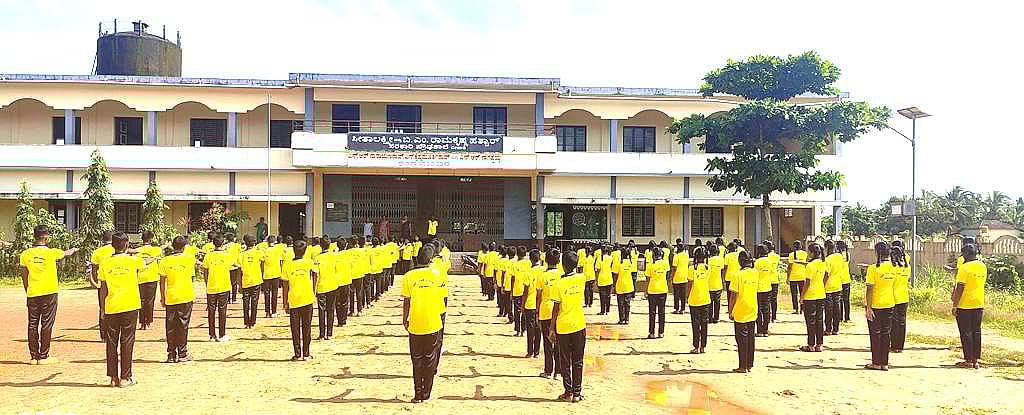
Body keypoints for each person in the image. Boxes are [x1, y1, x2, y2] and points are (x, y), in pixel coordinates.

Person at [19, 224, 78, 365]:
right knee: (47, 323)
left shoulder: (25, 254)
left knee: (32, 324)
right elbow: (67, 253)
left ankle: (34, 356)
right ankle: (44, 356)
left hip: (33, 292)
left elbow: (24, 275)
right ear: (45, 237)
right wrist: (75, 249)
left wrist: (28, 289)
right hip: (49, 292)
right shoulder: (52, 252)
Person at [98, 232, 146, 387]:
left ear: (112, 245)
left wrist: (102, 309)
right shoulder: (133, 261)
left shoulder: (105, 263)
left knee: (111, 342)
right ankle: (125, 377)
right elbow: (145, 263)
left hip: (111, 306)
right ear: (126, 245)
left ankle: (113, 377)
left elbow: (102, 289)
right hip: (130, 305)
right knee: (127, 341)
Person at [402, 244, 446, 403]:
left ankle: (417, 393)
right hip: (433, 321)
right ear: (430, 260)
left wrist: (404, 318)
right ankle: (426, 392)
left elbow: (407, 301)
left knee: (416, 359)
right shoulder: (437, 275)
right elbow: (442, 300)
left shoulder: (408, 276)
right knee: (429, 358)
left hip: (415, 322)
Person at [549, 251, 586, 403]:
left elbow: (556, 309)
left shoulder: (558, 283)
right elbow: (579, 272)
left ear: (562, 266)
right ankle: (577, 393)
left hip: (563, 326)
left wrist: (552, 328)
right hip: (578, 324)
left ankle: (568, 391)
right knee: (578, 360)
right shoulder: (581, 279)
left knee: (565, 361)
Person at [158, 236, 197, 363]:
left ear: (172, 246)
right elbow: (191, 277)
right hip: (185, 295)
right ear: (184, 247)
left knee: (170, 326)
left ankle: (171, 354)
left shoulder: (164, 261)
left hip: (171, 296)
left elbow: (162, 281)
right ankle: (182, 353)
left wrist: (162, 297)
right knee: (183, 325)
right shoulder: (189, 259)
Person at [952, 243, 986, 369]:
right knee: (976, 331)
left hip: (965, 304)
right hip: (978, 302)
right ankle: (976, 360)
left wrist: (955, 305)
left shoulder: (964, 268)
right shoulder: (982, 266)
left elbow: (960, 287)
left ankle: (968, 360)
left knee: (965, 332)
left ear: (966, 254)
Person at [864, 242, 897, 371]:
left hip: (876, 305)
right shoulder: (894, 267)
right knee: (886, 333)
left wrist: (868, 307)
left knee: (875, 334)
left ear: (877, 253)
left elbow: (870, 290)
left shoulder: (873, 268)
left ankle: (876, 362)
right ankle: (884, 363)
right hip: (890, 304)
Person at [282, 240, 315, 361]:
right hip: (307, 298)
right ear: (305, 251)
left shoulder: (287, 265)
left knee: (295, 328)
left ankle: (297, 354)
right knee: (307, 327)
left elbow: (285, 286)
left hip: (294, 299)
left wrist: (285, 302)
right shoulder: (309, 263)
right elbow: (315, 274)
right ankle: (306, 354)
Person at [728, 251, 759, 373]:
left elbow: (733, 296)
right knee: (751, 338)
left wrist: (730, 311)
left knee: (741, 339)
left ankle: (742, 366)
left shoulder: (737, 275)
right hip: (752, 308)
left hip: (741, 310)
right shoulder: (755, 273)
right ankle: (749, 364)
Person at [201, 234, 234, 342]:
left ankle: (212, 335)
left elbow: (205, 270)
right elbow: (232, 267)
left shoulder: (208, 256)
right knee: (222, 310)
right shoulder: (227, 255)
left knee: (211, 310)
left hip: (211, 286)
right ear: (223, 243)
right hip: (224, 286)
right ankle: (222, 334)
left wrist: (207, 282)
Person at [538, 248, 563, 379]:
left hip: (545, 311)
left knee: (547, 342)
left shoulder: (542, 276)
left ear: (546, 260)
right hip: (559, 312)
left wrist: (537, 312)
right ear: (559, 261)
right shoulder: (562, 275)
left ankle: (548, 371)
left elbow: (539, 295)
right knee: (559, 342)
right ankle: (558, 372)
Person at [800, 243, 827, 352]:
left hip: (810, 296)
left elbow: (807, 282)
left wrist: (801, 296)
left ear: (811, 253)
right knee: (819, 320)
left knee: (810, 321)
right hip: (821, 294)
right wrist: (822, 285)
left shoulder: (810, 266)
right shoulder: (822, 263)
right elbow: (827, 275)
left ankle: (811, 344)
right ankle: (819, 344)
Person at [135, 231, 163, 331]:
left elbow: (132, 252)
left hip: (140, 278)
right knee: (150, 300)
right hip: (152, 278)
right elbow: (162, 248)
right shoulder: (156, 250)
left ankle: (142, 322)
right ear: (151, 239)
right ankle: (148, 321)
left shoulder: (137, 251)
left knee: (141, 300)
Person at [90, 231, 115, 341]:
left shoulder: (97, 252)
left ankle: (103, 335)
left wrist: (97, 282)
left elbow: (94, 270)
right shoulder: (116, 249)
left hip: (102, 283)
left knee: (103, 307)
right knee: (114, 307)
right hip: (115, 283)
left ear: (102, 240)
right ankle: (113, 332)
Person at [313, 238, 338, 340]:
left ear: (320, 246)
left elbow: (315, 275)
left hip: (321, 286)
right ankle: (330, 333)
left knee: (321, 310)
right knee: (331, 309)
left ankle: (322, 334)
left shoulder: (317, 258)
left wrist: (313, 289)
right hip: (332, 285)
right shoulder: (334, 256)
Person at [687, 246, 711, 354]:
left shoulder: (692, 269)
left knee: (695, 324)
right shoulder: (708, 268)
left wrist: (687, 296)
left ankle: (696, 346)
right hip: (705, 298)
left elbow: (690, 284)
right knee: (704, 323)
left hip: (694, 299)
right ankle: (703, 347)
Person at [238, 235, 265, 330]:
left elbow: (238, 267)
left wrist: (239, 284)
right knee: (254, 301)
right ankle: (253, 321)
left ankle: (246, 322)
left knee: (245, 301)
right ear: (254, 243)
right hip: (256, 280)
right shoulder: (258, 253)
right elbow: (264, 260)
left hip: (246, 280)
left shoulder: (241, 255)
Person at [523, 249, 544, 358]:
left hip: (530, 304)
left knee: (530, 328)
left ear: (530, 259)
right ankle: (536, 351)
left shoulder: (528, 272)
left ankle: (530, 351)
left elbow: (526, 291)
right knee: (538, 328)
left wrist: (522, 305)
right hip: (541, 304)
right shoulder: (543, 271)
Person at [890, 245, 911, 353]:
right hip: (904, 296)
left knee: (894, 323)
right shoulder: (907, 267)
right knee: (902, 322)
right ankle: (900, 346)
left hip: (893, 297)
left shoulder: (893, 268)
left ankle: (894, 345)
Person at [646, 248, 670, 339]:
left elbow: (648, 279)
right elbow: (667, 275)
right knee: (662, 312)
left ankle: (651, 333)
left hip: (652, 290)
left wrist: (645, 290)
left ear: (653, 256)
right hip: (663, 290)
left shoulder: (650, 266)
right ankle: (661, 332)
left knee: (652, 312)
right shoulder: (665, 264)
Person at [823, 240, 845, 335]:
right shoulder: (839, 257)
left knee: (828, 309)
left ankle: (828, 329)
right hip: (838, 285)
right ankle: (836, 329)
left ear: (827, 248)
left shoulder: (827, 260)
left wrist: (822, 285)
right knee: (837, 308)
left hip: (828, 287)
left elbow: (826, 274)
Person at [753, 244, 774, 337]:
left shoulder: (756, 262)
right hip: (768, 288)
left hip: (757, 289)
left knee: (758, 310)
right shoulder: (770, 262)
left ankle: (759, 330)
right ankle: (765, 330)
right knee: (766, 309)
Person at [262, 236, 284, 318]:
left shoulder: (265, 251)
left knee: (266, 293)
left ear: (267, 242)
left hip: (266, 274)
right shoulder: (278, 250)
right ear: (274, 241)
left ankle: (267, 312)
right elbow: (281, 261)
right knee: (274, 293)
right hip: (276, 273)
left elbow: (262, 262)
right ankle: (274, 311)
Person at [512, 246, 530, 336]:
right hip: (526, 291)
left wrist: (511, 290)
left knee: (517, 311)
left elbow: (513, 278)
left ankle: (518, 330)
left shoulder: (514, 264)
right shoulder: (529, 264)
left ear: (517, 254)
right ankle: (524, 330)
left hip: (517, 290)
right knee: (525, 311)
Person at [614, 247, 636, 325]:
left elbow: (615, 275)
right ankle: (627, 319)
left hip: (620, 285)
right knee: (627, 304)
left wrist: (614, 285)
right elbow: (633, 273)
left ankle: (621, 319)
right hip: (629, 285)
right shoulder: (630, 263)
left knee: (620, 304)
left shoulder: (618, 263)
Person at [334, 238, 352, 328]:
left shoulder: (334, 256)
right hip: (346, 280)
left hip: (337, 281)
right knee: (345, 301)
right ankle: (343, 320)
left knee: (337, 302)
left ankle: (339, 320)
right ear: (345, 245)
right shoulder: (349, 255)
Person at [788, 241, 808, 314]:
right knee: (802, 293)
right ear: (801, 246)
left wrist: (787, 277)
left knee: (794, 294)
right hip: (802, 276)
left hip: (793, 277)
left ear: (794, 247)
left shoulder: (791, 255)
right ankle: (802, 309)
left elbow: (789, 267)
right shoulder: (805, 254)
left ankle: (796, 309)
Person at [706, 244, 725, 323]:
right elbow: (722, 271)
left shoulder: (708, 260)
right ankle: (716, 317)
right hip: (718, 283)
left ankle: (709, 318)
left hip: (709, 284)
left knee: (710, 302)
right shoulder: (721, 260)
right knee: (717, 302)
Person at [671, 242, 690, 314]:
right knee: (683, 294)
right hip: (684, 276)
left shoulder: (676, 256)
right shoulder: (686, 255)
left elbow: (674, 268)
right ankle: (683, 309)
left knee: (676, 294)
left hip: (677, 277)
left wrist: (672, 277)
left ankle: (676, 308)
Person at [836, 241, 853, 322]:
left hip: (839, 279)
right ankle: (847, 317)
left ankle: (840, 317)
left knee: (840, 300)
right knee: (846, 300)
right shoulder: (847, 254)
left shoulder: (837, 256)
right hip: (847, 279)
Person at [765, 241, 782, 322]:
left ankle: (767, 317)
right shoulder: (777, 256)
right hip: (775, 279)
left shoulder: (766, 257)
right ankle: (774, 317)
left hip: (767, 280)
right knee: (774, 299)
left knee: (767, 300)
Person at [596, 246, 614, 315]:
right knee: (608, 295)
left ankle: (602, 311)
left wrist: (596, 279)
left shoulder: (599, 259)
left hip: (601, 279)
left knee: (602, 296)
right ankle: (608, 310)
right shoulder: (610, 258)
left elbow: (597, 270)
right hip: (609, 278)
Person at [225, 233, 242, 304]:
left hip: (226, 266)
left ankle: (228, 299)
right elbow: (242, 251)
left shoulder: (224, 246)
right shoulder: (237, 246)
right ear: (234, 239)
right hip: (235, 266)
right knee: (234, 283)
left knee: (227, 283)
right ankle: (234, 299)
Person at [723, 243, 741, 309]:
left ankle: (730, 308)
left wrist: (723, 277)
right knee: (737, 294)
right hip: (737, 277)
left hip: (729, 277)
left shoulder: (727, 256)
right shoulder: (739, 254)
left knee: (729, 295)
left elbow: (725, 267)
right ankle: (736, 307)